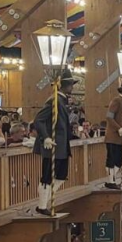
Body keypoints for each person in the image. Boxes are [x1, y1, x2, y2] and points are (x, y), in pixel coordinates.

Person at [33, 71, 76, 215]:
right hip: (52, 146)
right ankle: (42, 205)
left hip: (62, 146)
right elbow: (38, 120)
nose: (72, 88)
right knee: (47, 176)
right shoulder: (54, 101)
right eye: (70, 85)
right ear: (64, 86)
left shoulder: (61, 101)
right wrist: (45, 137)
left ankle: (46, 199)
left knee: (61, 175)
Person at [104, 84, 122, 189]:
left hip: (120, 137)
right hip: (113, 136)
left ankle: (112, 178)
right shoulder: (117, 101)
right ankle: (110, 181)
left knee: (119, 161)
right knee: (111, 160)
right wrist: (118, 128)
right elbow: (109, 117)